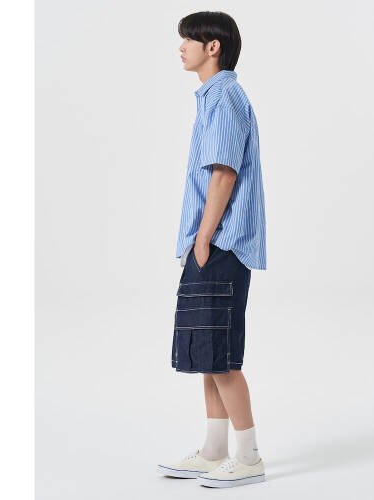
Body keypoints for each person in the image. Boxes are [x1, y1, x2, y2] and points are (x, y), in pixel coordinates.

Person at [157, 11, 267, 488]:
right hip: (211, 242)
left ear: (213, 47)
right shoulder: (213, 98)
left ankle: (249, 458)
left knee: (222, 356)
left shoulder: (224, 97)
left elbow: (224, 172)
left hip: (220, 243)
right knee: (208, 352)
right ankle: (214, 450)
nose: (181, 47)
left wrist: (203, 237)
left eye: (188, 39)